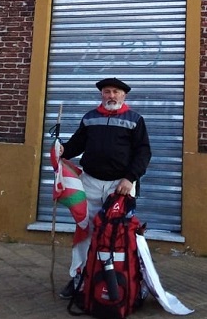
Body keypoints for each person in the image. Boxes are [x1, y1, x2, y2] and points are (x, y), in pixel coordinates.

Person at [58, 78, 152, 299]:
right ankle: (80, 279)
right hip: (89, 182)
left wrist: (129, 179)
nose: (111, 95)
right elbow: (76, 145)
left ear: (124, 95)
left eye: (116, 92)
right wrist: (61, 151)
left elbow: (143, 153)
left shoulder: (135, 120)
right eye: (107, 91)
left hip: (120, 186)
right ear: (102, 95)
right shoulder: (90, 117)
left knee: (120, 234)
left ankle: (125, 279)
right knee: (86, 230)